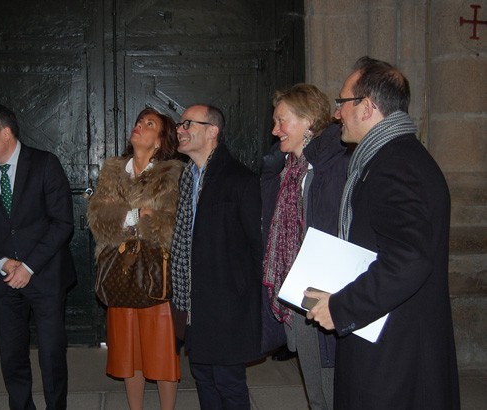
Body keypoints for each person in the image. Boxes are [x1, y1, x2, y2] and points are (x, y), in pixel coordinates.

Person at [305, 56, 460, 409]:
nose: (336, 113)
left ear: (368, 107)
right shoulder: (391, 156)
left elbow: (408, 259)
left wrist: (343, 306)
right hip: (388, 339)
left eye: (342, 102)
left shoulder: (396, 166)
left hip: (396, 352)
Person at [0, 104, 76, 410]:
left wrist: (29, 266)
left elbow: (62, 223)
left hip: (45, 276)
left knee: (51, 352)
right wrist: (4, 263)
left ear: (5, 132)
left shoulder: (44, 164)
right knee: (12, 354)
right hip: (4, 278)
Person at [87, 107, 183, 410]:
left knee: (161, 350)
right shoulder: (113, 170)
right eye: (139, 121)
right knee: (129, 351)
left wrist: (127, 220)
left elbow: (170, 224)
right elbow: (97, 216)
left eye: (149, 124)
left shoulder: (171, 172)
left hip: (155, 271)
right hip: (120, 271)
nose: (139, 126)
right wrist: (137, 214)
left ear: (159, 140)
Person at [261, 84, 349, 410]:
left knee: (331, 386)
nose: (274, 130)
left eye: (282, 121)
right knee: (316, 391)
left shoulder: (330, 167)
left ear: (309, 120)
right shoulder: (290, 170)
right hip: (300, 287)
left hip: (323, 289)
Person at [170, 104, 262, 409]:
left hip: (226, 305)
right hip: (193, 302)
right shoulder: (187, 178)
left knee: (228, 383)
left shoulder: (240, 179)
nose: (180, 130)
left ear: (212, 131)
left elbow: (256, 248)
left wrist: (241, 296)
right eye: (180, 124)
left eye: (188, 124)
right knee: (204, 379)